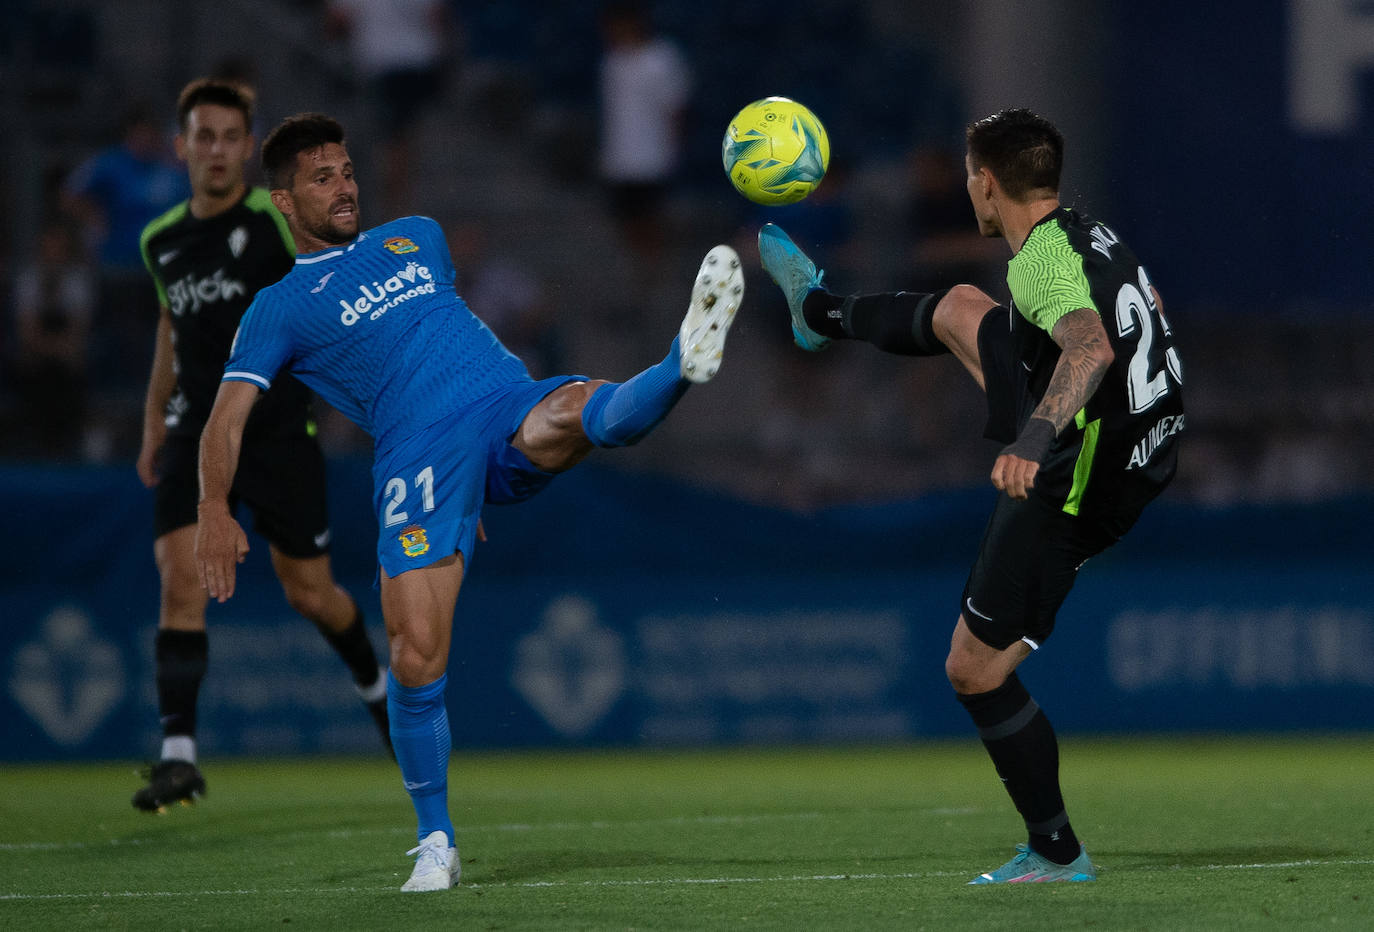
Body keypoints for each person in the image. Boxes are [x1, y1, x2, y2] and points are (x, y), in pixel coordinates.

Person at [195, 112, 741, 891]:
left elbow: (437, 334)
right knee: (416, 654)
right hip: (418, 455)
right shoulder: (279, 309)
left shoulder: (417, 235)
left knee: (575, 408)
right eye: (322, 178)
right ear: (282, 201)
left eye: (347, 170)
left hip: (498, 404)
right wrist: (215, 508)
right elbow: (224, 421)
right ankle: (436, 842)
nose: (345, 186)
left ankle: (683, 361)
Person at [758, 108, 1184, 884]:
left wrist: (1033, 437)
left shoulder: (1036, 267)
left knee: (972, 669)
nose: (966, 188)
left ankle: (1057, 853)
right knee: (959, 308)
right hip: (1140, 435)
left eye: (967, 175)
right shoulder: (1090, 234)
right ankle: (817, 314)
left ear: (987, 185)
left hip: (1085, 473)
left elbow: (1090, 345)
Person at [132, 80, 392, 814]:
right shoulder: (161, 242)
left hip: (277, 433)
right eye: (201, 136)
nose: (215, 149)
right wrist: (154, 423)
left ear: (249, 150)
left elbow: (334, 284)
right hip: (193, 430)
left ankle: (376, 691)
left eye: (228, 136)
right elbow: (168, 330)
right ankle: (178, 754)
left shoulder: (277, 222)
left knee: (310, 593)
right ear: (181, 147)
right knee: (179, 579)